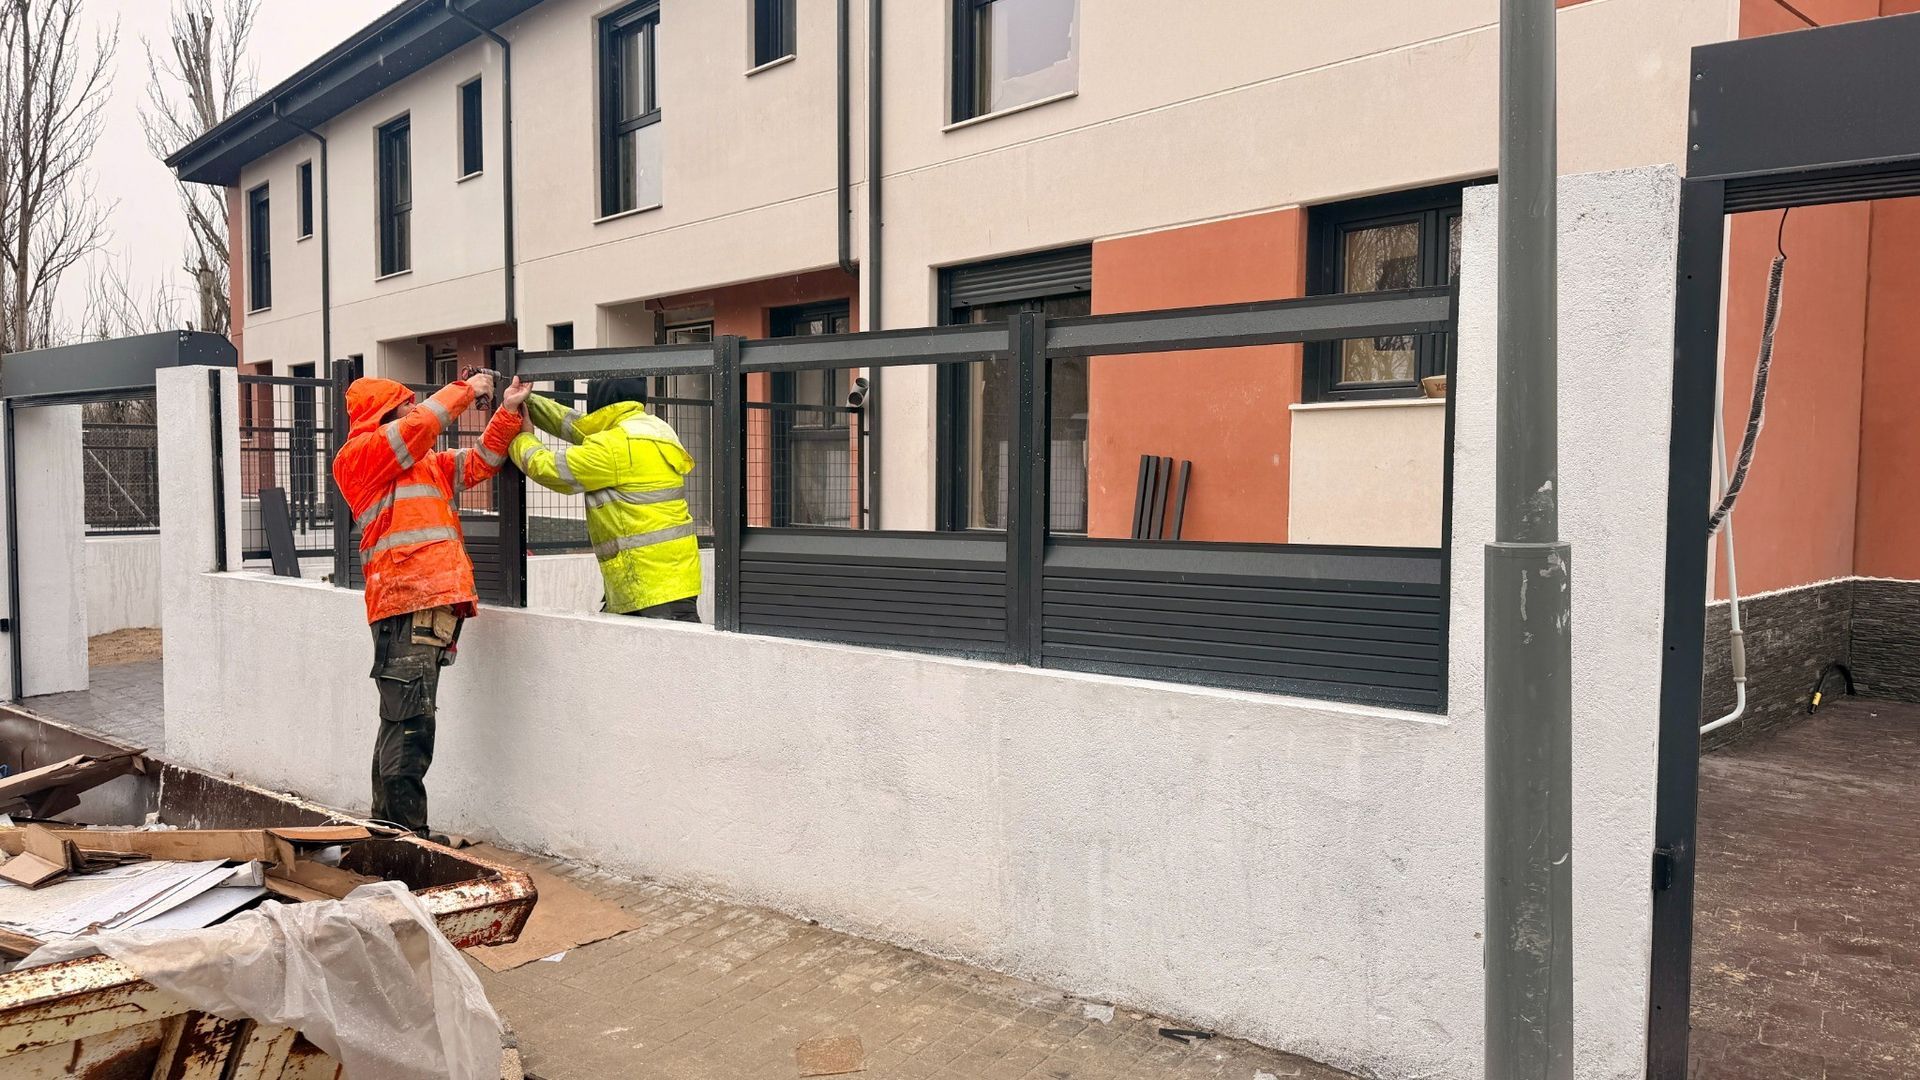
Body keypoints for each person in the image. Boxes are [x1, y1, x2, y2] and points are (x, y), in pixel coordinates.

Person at [332, 369, 530, 836]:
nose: (413, 410)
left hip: (423, 606)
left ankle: (389, 835)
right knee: (411, 727)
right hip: (405, 602)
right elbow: (420, 425)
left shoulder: (424, 464)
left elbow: (481, 461)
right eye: (405, 404)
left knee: (400, 722)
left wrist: (507, 411)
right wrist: (466, 390)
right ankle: (409, 841)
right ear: (384, 413)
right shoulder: (359, 456)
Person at [510, 378, 703, 621]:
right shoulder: (653, 429)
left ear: (598, 399)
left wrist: (521, 437)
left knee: (665, 647)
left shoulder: (612, 446)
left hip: (649, 585)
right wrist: (528, 401)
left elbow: (547, 468)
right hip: (671, 577)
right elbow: (577, 426)